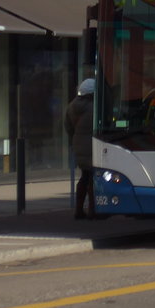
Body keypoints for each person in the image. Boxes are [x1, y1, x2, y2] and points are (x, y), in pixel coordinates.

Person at [65, 78, 96, 220]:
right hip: (92, 145)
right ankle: (92, 210)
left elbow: (68, 128)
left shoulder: (71, 106)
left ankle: (78, 209)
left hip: (78, 145)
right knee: (92, 178)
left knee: (84, 176)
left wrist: (76, 139)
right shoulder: (93, 107)